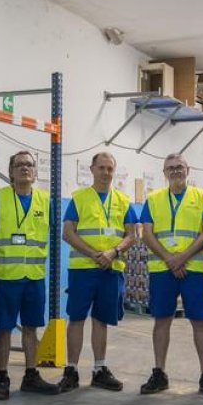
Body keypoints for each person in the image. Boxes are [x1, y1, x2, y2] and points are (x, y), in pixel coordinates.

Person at [139, 153, 203, 399]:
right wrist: (169, 258)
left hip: (193, 270)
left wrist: (181, 258)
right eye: (170, 168)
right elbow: (147, 234)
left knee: (199, 321)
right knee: (161, 320)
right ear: (164, 173)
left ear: (188, 170)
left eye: (179, 167)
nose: (175, 171)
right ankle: (159, 373)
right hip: (163, 271)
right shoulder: (152, 199)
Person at [60, 151, 136, 392]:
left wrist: (113, 252)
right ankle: (71, 370)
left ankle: (99, 369)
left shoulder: (123, 201)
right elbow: (68, 232)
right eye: (101, 168)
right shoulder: (79, 198)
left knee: (101, 319)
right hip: (83, 269)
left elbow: (132, 234)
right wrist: (94, 254)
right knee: (76, 319)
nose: (105, 173)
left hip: (110, 270)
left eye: (110, 169)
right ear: (92, 170)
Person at [0, 151, 61, 399]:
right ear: (10, 171)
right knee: (5, 328)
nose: (24, 168)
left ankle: (31, 375)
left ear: (35, 171)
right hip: (7, 278)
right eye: (19, 165)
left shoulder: (45, 201)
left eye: (29, 165)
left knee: (31, 328)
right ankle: (2, 377)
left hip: (34, 278)